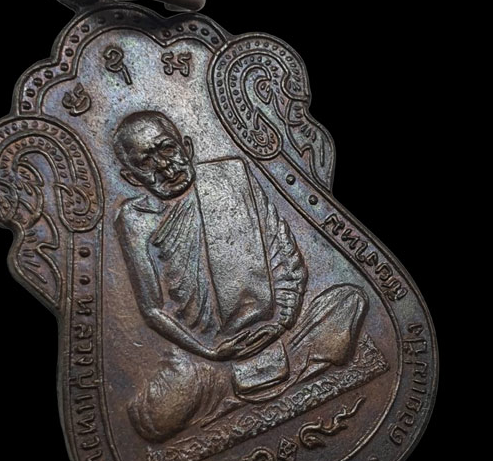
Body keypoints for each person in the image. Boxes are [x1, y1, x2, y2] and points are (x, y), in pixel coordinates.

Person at [114, 110, 368, 442]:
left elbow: (286, 256)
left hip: (280, 330)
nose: (165, 167)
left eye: (167, 149)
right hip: (206, 355)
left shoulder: (232, 175)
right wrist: (210, 352)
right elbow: (152, 309)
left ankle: (246, 386)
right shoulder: (134, 221)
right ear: (132, 177)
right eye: (146, 162)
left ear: (186, 147)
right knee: (152, 420)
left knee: (349, 300)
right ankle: (279, 374)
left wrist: (283, 320)